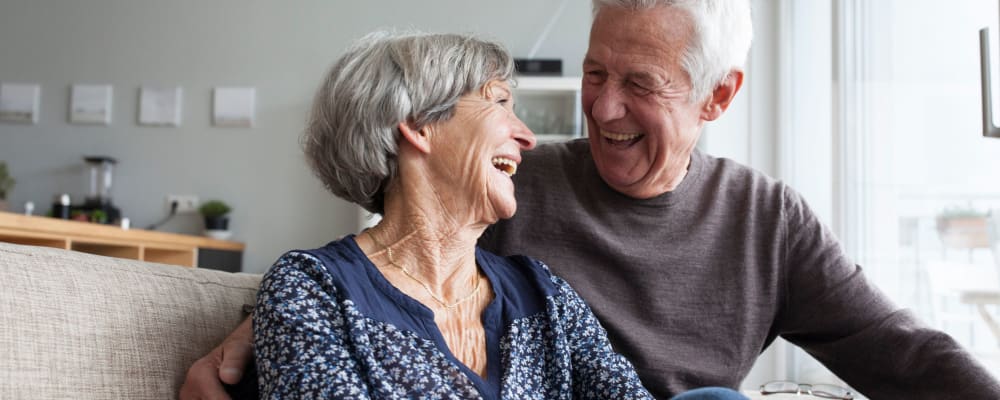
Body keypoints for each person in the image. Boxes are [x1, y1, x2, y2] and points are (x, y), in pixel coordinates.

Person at [181, 1, 1000, 399]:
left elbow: (901, 352)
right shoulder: (506, 198)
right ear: (419, 129)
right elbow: (391, 263)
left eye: (639, 84)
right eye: (595, 73)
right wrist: (278, 310)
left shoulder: (762, 223)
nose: (600, 108)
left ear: (716, 98)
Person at [245, 30, 745, 400]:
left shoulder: (540, 291)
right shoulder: (313, 289)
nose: (527, 136)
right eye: (499, 102)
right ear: (420, 125)